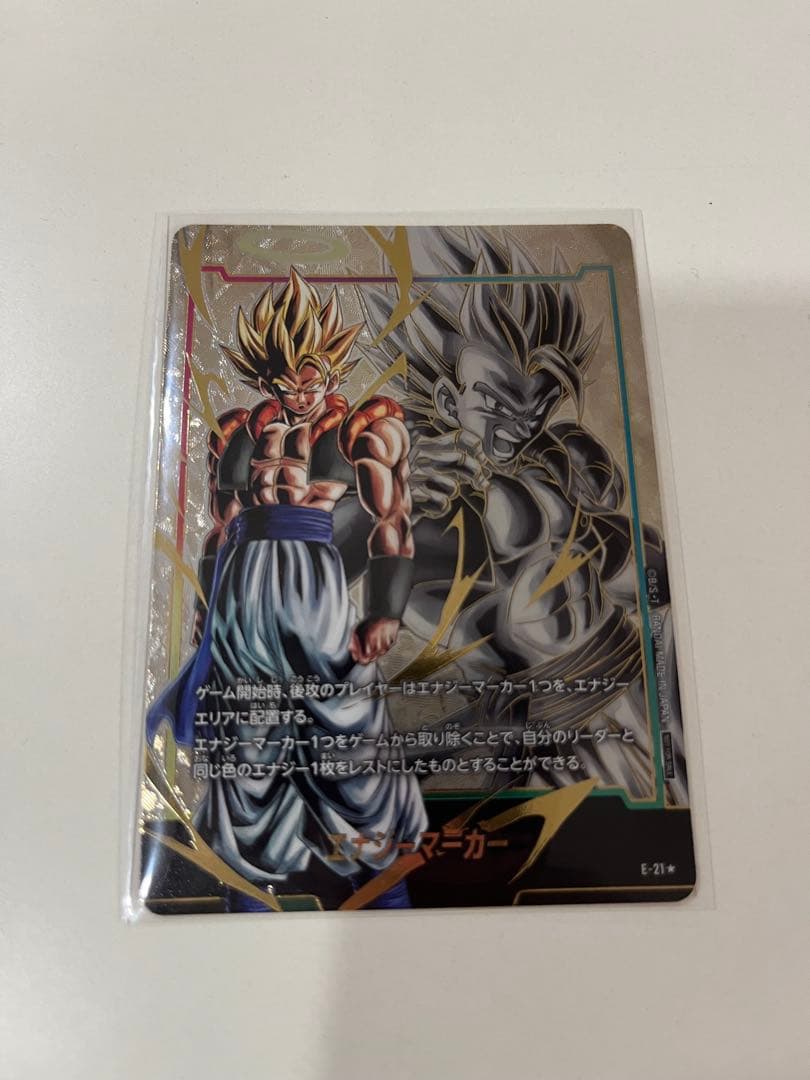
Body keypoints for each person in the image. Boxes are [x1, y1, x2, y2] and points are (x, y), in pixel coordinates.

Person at [146, 268, 426, 909]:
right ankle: (246, 901)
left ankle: (389, 899)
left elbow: (392, 518)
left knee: (345, 743)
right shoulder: (238, 433)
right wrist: (206, 616)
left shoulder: (361, 428)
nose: (299, 393)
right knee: (246, 750)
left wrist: (384, 610)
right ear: (265, 376)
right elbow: (221, 530)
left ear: (331, 366)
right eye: (284, 381)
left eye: (311, 377)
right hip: (242, 596)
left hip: (314, 590)